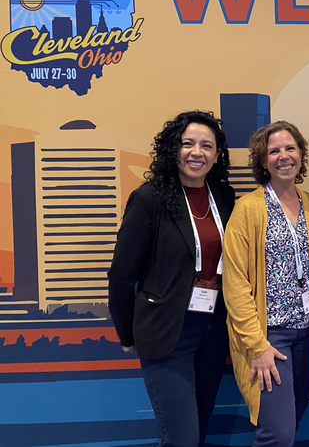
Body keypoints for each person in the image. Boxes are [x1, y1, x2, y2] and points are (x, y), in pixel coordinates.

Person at [108, 110, 236, 447]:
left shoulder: (223, 196)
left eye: (206, 146)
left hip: (213, 330)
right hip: (167, 331)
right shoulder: (149, 199)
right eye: (187, 143)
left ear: (217, 154)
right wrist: (127, 332)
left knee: (200, 429)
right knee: (182, 438)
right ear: (173, 149)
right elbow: (122, 274)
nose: (197, 152)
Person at [222, 121, 309, 446]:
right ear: (263, 161)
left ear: (301, 154)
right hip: (269, 336)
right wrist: (257, 345)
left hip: (308, 334)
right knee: (277, 433)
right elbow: (235, 283)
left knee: (292, 423)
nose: (283, 156)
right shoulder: (247, 209)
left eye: (290, 148)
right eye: (274, 151)